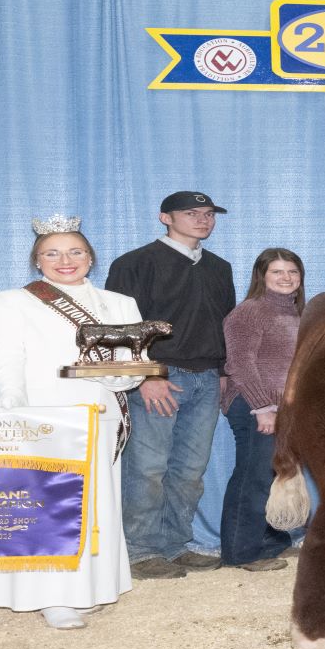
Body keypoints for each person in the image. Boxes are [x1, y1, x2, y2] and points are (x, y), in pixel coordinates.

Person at [0, 214, 144, 629]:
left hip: (99, 416)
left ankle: (91, 587)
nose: (65, 260)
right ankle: (51, 595)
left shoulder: (120, 304)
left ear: (90, 257)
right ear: (37, 259)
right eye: (52, 253)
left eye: (75, 252)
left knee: (95, 502)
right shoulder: (11, 301)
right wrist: (13, 399)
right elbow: (4, 356)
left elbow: (130, 364)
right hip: (40, 415)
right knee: (44, 506)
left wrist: (128, 375)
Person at [105, 191, 235, 580]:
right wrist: (145, 375)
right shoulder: (135, 263)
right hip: (160, 375)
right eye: (192, 213)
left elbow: (224, 323)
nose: (203, 220)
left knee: (190, 469)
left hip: (206, 377)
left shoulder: (218, 267)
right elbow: (122, 327)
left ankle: (176, 544)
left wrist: (224, 374)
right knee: (148, 466)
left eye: (209, 214)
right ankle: (141, 549)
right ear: (165, 218)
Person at [219, 249, 306, 572]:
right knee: (253, 476)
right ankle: (241, 552)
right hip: (255, 406)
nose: (286, 278)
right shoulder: (250, 312)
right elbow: (240, 364)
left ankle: (269, 542)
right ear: (261, 277)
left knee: (273, 475)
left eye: (292, 272)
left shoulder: (298, 313)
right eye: (277, 272)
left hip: (285, 408)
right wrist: (262, 407)